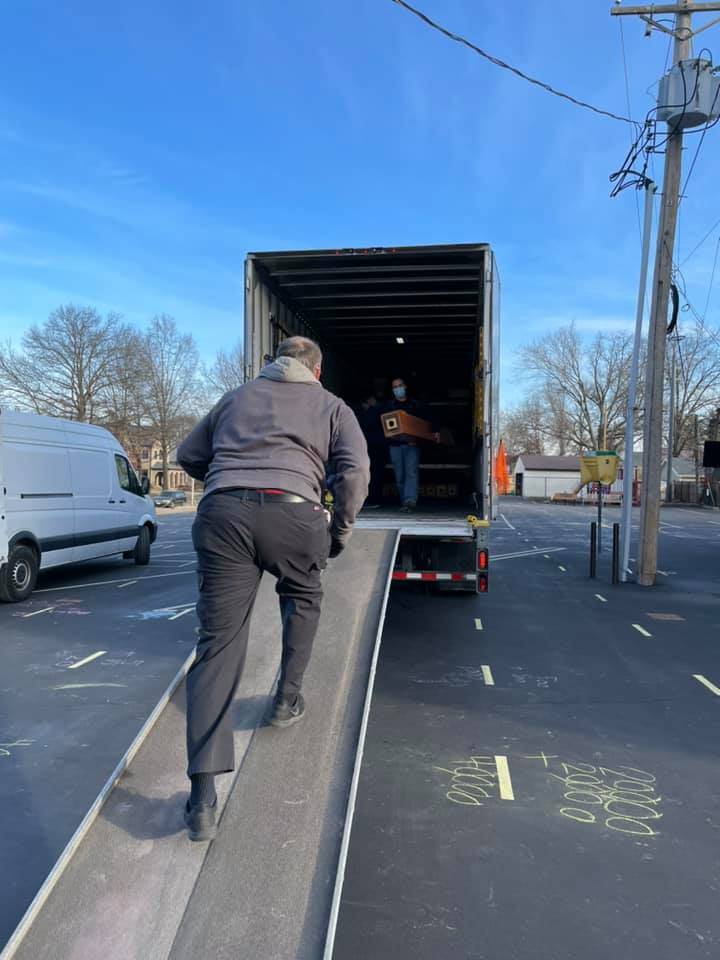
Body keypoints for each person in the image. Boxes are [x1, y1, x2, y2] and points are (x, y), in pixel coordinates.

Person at [176, 336, 370, 842]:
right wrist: (339, 531)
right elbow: (354, 472)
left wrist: (224, 477)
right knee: (304, 596)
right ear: (317, 369)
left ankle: (201, 797)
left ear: (272, 363)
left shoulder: (235, 398)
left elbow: (187, 454)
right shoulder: (332, 406)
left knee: (217, 645)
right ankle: (286, 698)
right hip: (294, 511)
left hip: (223, 516)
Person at [386, 377, 437, 513]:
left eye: (400, 385)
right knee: (399, 475)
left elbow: (429, 419)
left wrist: (435, 431)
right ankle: (405, 502)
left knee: (411, 473)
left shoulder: (416, 405)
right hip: (395, 446)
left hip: (412, 445)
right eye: (395, 387)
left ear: (405, 386)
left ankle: (410, 501)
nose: (398, 389)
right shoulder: (389, 406)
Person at [356, 394, 386, 509]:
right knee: (374, 474)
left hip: (373, 447)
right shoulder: (375, 411)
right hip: (374, 447)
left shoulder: (373, 412)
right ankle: (373, 499)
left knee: (374, 474)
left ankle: (373, 499)